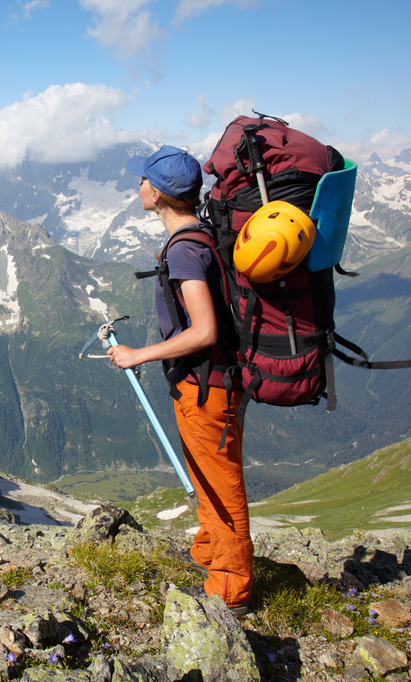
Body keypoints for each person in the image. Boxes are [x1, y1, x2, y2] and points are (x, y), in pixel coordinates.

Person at [107, 145, 253, 615]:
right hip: (212, 382)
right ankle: (212, 559)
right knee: (208, 476)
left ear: (161, 194)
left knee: (220, 481)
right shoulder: (200, 235)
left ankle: (232, 591)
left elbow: (205, 329)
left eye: (144, 181)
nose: (139, 187)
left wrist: (139, 355)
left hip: (207, 386)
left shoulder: (187, 250)